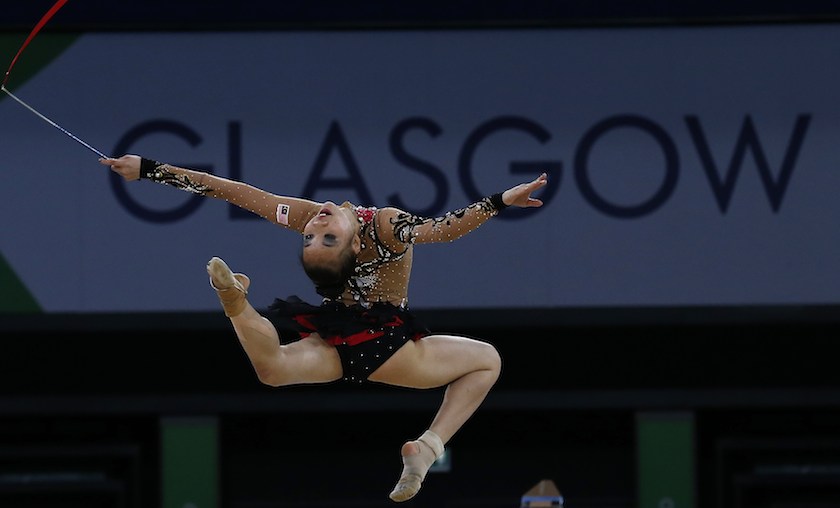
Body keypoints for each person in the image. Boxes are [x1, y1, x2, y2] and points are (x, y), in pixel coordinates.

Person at [101, 154, 547, 502]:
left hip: (338, 338)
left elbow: (232, 192)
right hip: (388, 345)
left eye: (315, 239)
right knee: (487, 361)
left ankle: (236, 302)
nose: (314, 229)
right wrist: (500, 201)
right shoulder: (387, 227)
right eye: (320, 238)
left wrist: (151, 170)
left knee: (272, 369)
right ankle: (429, 447)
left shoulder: (310, 216)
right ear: (354, 243)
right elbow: (440, 230)